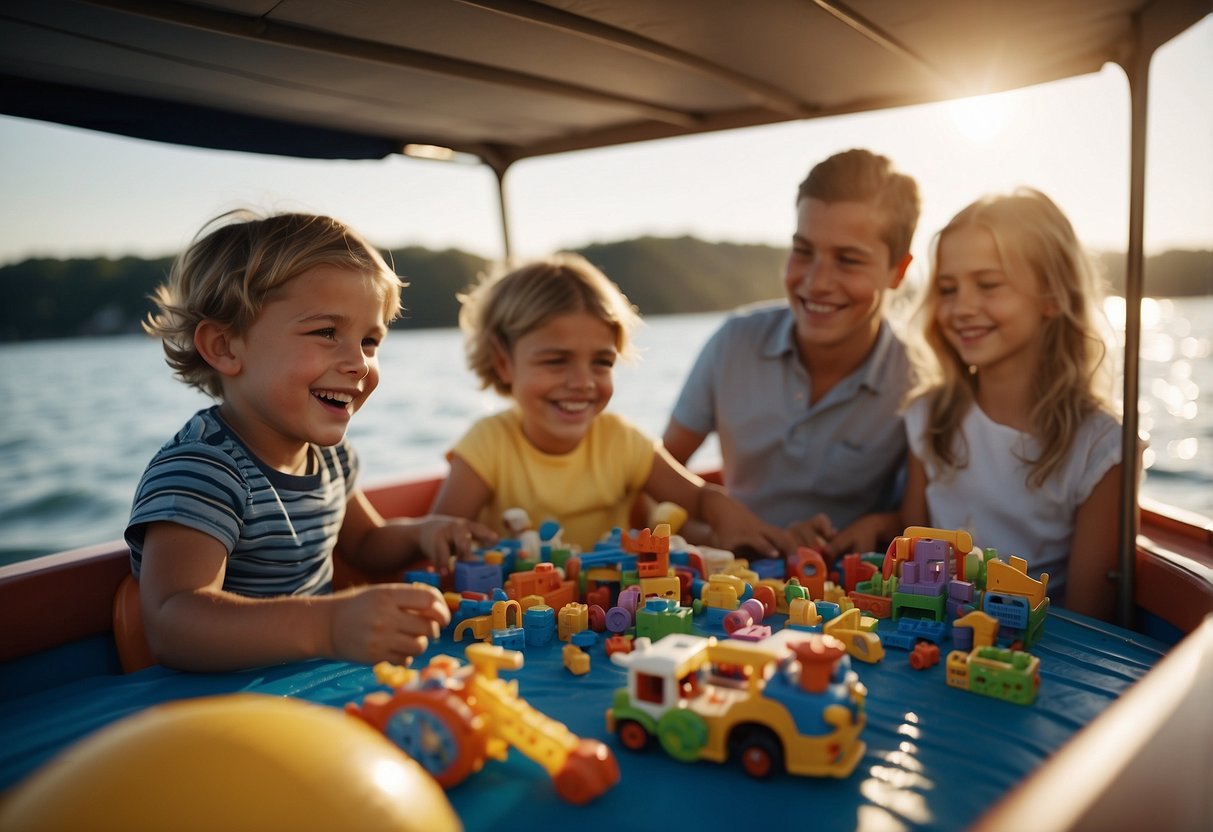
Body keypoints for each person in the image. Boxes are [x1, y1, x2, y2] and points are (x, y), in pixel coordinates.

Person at [125, 210, 495, 672]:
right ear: (224, 347)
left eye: (370, 342)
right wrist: (327, 626)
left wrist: (424, 531)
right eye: (326, 332)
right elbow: (172, 622)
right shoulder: (203, 470)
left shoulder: (331, 457)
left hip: (310, 681)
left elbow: (366, 544)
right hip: (221, 706)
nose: (358, 363)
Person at [430, 253, 795, 558]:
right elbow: (441, 536)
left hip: (615, 616)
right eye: (557, 361)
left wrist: (723, 513)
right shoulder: (488, 444)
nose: (582, 382)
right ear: (503, 363)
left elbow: (698, 498)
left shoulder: (623, 441)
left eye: (602, 362)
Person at [662, 148, 920, 558]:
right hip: (733, 578)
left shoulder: (919, 378)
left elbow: (924, 515)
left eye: (848, 261)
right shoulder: (733, 343)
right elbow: (654, 477)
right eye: (803, 251)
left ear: (898, 272)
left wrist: (880, 525)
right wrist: (715, 535)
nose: (816, 283)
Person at [899, 188, 1124, 621]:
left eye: (988, 285)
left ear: (1052, 296)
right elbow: (910, 562)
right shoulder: (927, 417)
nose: (962, 307)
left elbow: (1089, 616)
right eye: (948, 288)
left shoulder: (1101, 446)